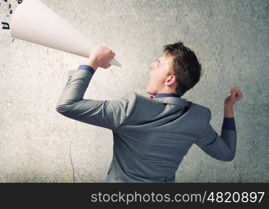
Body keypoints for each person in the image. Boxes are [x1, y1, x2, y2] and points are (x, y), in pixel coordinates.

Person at [56, 42, 243, 182]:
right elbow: (226, 153)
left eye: (158, 63)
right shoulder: (197, 119)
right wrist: (228, 108)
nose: (151, 66)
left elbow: (67, 105)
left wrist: (92, 63)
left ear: (170, 79)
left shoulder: (130, 109)